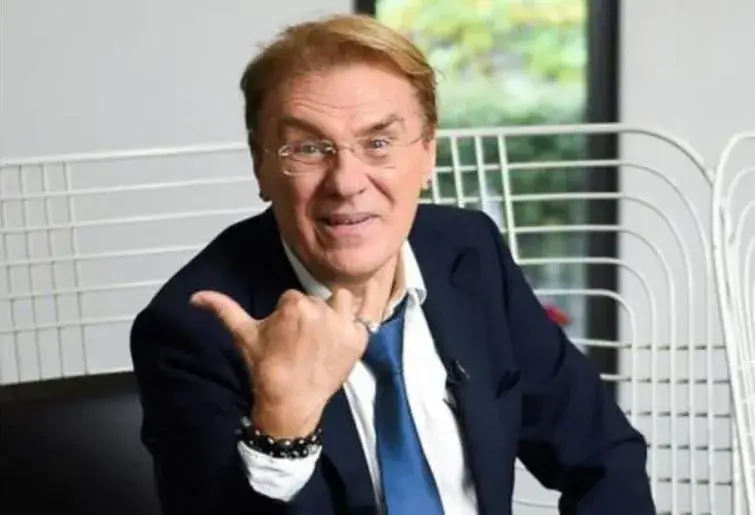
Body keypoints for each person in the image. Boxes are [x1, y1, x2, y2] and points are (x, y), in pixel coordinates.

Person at [130, 13, 656, 515]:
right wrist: (282, 423)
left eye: (378, 143)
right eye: (308, 148)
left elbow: (603, 453)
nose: (346, 182)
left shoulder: (468, 253)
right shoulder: (194, 328)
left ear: (427, 154)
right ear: (260, 164)